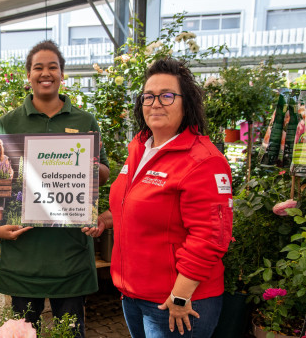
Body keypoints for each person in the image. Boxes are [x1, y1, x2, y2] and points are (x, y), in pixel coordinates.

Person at [100, 58, 233, 338]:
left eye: (167, 95)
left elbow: (210, 236)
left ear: (187, 104)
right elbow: (134, 206)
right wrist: (105, 220)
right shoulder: (140, 147)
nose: (156, 103)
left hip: (175, 303)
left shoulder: (203, 161)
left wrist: (181, 296)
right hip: (133, 295)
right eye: (149, 96)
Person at [0, 40, 110, 338]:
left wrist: (79, 167)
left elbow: (105, 172)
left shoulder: (84, 120)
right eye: (38, 67)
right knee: (21, 333)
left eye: (53, 67)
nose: (46, 73)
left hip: (68, 253)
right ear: (28, 75)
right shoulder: (7, 123)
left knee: (70, 333)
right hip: (23, 254)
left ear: (62, 74)